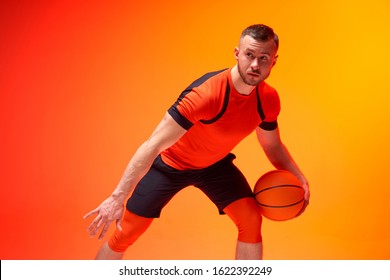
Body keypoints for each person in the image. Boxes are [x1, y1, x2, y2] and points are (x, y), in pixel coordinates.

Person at [84, 24, 310, 260]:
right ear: (236, 53)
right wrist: (117, 197)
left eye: (263, 58)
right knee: (126, 232)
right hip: (171, 165)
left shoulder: (268, 99)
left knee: (251, 219)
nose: (255, 65)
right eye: (249, 55)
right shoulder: (206, 95)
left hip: (214, 166)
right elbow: (153, 145)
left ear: (274, 61)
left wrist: (300, 179)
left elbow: (272, 145)